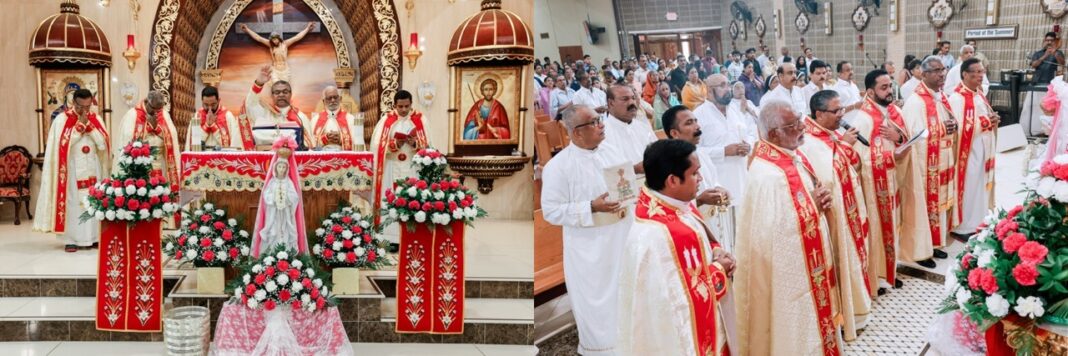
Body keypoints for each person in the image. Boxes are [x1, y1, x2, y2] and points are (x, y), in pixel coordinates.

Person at [734, 100, 840, 355]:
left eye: (800, 119)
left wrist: (819, 201)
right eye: (793, 125)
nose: (803, 126)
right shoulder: (767, 175)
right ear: (774, 134)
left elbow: (803, 202)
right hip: (788, 277)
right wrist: (812, 206)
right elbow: (771, 236)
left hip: (808, 267)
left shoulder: (791, 158)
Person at [616, 139, 735, 355]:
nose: (701, 179)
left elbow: (701, 235)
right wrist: (719, 270)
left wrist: (715, 250)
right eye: (695, 174)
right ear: (672, 180)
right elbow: (675, 303)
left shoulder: (672, 204)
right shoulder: (656, 236)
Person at [541, 105, 632, 355]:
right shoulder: (558, 167)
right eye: (594, 122)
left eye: (599, 119)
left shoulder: (611, 151)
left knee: (627, 293)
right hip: (590, 248)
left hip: (622, 236)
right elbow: (551, 211)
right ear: (576, 133)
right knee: (599, 303)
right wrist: (592, 206)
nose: (601, 125)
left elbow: (627, 186)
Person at [799, 90, 872, 341]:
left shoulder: (829, 135)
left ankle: (858, 308)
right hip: (836, 217)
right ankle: (848, 314)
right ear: (819, 114)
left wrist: (843, 145)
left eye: (842, 109)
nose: (842, 115)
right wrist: (845, 146)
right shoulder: (809, 142)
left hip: (850, 211)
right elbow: (826, 178)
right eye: (836, 111)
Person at [34, 89, 110, 252]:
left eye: (88, 106)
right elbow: (62, 145)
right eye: (81, 106)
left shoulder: (96, 119)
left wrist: (89, 127)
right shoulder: (62, 119)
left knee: (93, 201)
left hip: (92, 167)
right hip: (71, 168)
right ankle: (71, 239)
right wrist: (80, 127)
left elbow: (102, 144)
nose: (85, 110)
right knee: (73, 203)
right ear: (73, 102)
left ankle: (94, 237)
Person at [852, 69, 907, 294]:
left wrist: (900, 138)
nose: (889, 91)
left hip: (890, 181)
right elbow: (858, 159)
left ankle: (889, 271)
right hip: (873, 189)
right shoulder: (863, 119)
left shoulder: (889, 111)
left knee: (891, 227)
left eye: (890, 86)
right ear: (870, 92)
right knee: (876, 232)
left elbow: (902, 136)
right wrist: (890, 156)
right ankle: (877, 276)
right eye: (883, 88)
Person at [900, 57, 955, 269]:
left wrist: (951, 126)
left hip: (940, 161)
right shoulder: (916, 102)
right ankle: (921, 251)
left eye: (943, 70)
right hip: (924, 166)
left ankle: (934, 243)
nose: (941, 74)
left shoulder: (940, 96)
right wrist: (943, 129)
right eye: (935, 71)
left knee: (938, 207)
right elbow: (915, 135)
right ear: (923, 75)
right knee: (923, 208)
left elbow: (948, 122)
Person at [371, 90, 432, 245]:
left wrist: (415, 143)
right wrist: (393, 144)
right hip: (392, 166)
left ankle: (412, 236)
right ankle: (390, 239)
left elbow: (430, 145)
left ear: (411, 104)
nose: (404, 110)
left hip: (413, 167)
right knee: (390, 200)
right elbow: (376, 145)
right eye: (400, 106)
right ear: (394, 105)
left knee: (412, 199)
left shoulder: (420, 119)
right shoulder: (386, 120)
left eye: (407, 106)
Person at [949, 58, 999, 239]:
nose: (980, 75)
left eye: (982, 72)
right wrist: (987, 121)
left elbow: (984, 115)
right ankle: (963, 227)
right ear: (964, 74)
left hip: (982, 147)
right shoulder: (957, 98)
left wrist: (993, 119)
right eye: (976, 72)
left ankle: (979, 221)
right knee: (969, 186)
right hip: (967, 152)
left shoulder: (978, 94)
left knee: (980, 185)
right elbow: (960, 127)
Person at [695, 75, 754, 222]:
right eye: (722, 86)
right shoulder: (698, 115)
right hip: (718, 183)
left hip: (741, 178)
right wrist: (723, 151)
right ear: (709, 91)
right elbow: (695, 151)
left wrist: (749, 146)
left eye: (728, 85)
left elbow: (751, 133)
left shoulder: (736, 110)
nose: (727, 89)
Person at [113, 90, 181, 195]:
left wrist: (156, 128)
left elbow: (171, 138)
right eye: (154, 109)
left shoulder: (163, 114)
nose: (156, 112)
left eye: (159, 109)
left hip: (158, 169)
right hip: (138, 170)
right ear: (147, 102)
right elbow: (128, 142)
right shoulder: (133, 115)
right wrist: (149, 128)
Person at [251, 136, 307, 256]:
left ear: (287, 169)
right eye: (279, 167)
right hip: (274, 213)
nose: (281, 169)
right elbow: (266, 195)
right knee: (273, 232)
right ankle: (270, 254)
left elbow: (294, 197)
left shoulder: (289, 182)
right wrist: (273, 200)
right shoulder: (272, 182)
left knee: (285, 231)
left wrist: (286, 199)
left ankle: (287, 254)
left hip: (286, 214)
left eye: (283, 167)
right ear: (275, 168)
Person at [243, 64, 314, 148]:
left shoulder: (300, 117)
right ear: (272, 96)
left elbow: (309, 145)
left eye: (285, 92)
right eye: (277, 92)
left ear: (291, 94)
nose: (281, 95)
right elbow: (250, 105)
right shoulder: (264, 114)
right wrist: (258, 84)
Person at [600, 85, 657, 174]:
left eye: (633, 98)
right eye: (625, 99)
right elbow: (603, 172)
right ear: (610, 103)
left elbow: (658, 153)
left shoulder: (643, 127)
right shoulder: (601, 134)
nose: (632, 103)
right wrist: (633, 170)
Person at [238, 22, 316, 83]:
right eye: (273, 40)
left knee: (285, 87)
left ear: (279, 38)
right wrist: (247, 30)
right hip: (275, 70)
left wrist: (307, 28)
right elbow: (258, 38)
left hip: (285, 70)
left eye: (276, 39)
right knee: (276, 87)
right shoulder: (271, 46)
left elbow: (297, 37)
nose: (275, 41)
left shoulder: (285, 44)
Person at [1023, 32, 1066, 134]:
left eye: (1051, 40)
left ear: (1055, 41)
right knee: (1033, 108)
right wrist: (1045, 55)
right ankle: (1033, 131)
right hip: (1036, 85)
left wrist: (1054, 53)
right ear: (1044, 41)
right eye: (1047, 40)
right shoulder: (1038, 53)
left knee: (1048, 110)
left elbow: (1062, 63)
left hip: (1050, 87)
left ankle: (1046, 131)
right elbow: (1033, 65)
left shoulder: (1058, 53)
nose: (1049, 42)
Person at [187, 86, 251, 150]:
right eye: (206, 105)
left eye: (213, 104)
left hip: (221, 158)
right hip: (201, 157)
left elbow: (231, 146)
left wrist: (213, 126)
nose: (210, 109)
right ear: (202, 101)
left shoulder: (228, 116)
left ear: (218, 101)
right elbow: (193, 146)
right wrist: (206, 126)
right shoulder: (197, 116)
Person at [309, 86, 366, 150]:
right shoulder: (315, 120)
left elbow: (358, 142)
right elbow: (311, 144)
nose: (333, 100)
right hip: (322, 157)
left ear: (340, 99)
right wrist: (325, 138)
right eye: (329, 98)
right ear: (324, 101)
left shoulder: (350, 119)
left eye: (335, 97)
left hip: (344, 158)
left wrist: (341, 139)